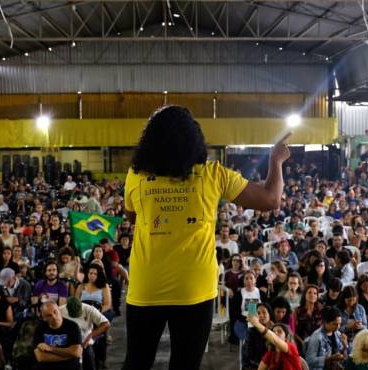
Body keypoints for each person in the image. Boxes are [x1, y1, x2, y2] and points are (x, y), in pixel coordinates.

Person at [122, 106, 291, 370]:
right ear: (195, 139)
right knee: (185, 365)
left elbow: (133, 218)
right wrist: (276, 161)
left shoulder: (136, 175)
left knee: (137, 362)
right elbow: (271, 199)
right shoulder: (214, 174)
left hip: (147, 286)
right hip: (195, 289)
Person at [59, 297, 110, 370]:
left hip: (85, 342)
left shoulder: (89, 309)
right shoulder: (60, 310)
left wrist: (91, 335)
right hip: (68, 344)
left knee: (89, 358)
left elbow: (106, 324)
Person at [33, 301, 83, 370]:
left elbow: (76, 352)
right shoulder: (40, 328)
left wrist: (50, 348)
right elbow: (40, 357)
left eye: (55, 312)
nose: (54, 316)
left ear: (59, 310)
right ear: (44, 318)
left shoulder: (73, 326)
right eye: (49, 315)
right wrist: (70, 355)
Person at [241, 302, 274, 370]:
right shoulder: (251, 332)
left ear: (270, 314)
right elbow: (248, 358)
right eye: (258, 313)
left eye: (264, 312)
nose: (261, 315)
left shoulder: (275, 330)